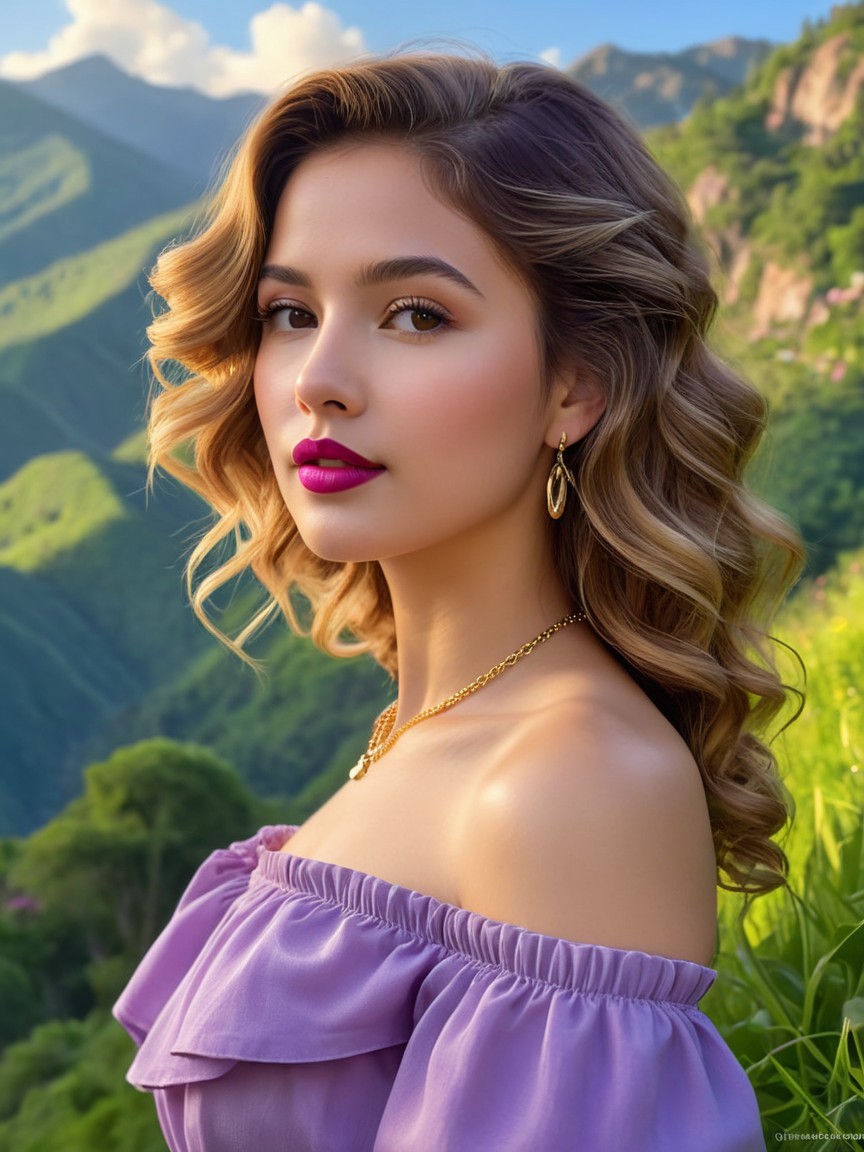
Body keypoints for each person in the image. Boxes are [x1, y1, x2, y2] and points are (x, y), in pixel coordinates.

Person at [113, 53, 802, 1151]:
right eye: (291, 311)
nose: (317, 379)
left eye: (416, 315)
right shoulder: (427, 728)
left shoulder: (570, 786)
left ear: (576, 385)